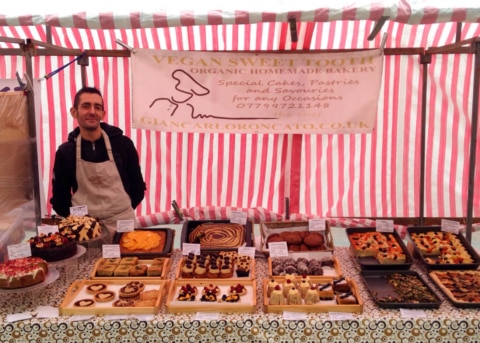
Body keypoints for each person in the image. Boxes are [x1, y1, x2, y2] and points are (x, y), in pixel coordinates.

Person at [50, 86, 146, 241]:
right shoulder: (66, 152)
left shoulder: (123, 144)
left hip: (123, 224)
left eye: (97, 107)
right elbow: (60, 198)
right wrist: (80, 223)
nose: (92, 111)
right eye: (86, 106)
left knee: (130, 263)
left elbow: (138, 188)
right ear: (74, 112)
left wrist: (120, 212)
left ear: (103, 113)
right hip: (85, 232)